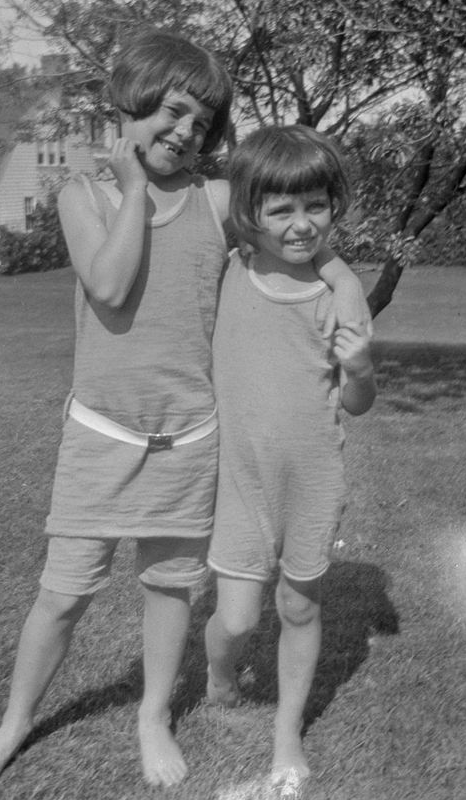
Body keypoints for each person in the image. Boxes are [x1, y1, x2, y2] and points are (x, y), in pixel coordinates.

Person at [0, 29, 370, 793]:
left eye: (200, 124)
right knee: (64, 592)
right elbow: (110, 287)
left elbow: (296, 234)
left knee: (169, 588)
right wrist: (136, 189)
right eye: (171, 114)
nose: (183, 133)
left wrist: (342, 280)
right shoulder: (81, 196)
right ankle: (11, 725)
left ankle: (152, 714)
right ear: (131, 104)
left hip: (189, 440)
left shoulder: (216, 201)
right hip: (100, 435)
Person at [205, 125, 376, 799]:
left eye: (315, 205)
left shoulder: (336, 296)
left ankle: (286, 737)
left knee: (298, 608)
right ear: (250, 213)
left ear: (332, 204)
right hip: (239, 478)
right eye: (281, 209)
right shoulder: (228, 270)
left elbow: (358, 403)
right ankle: (219, 679)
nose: (301, 224)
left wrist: (359, 368)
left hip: (311, 476)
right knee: (239, 618)